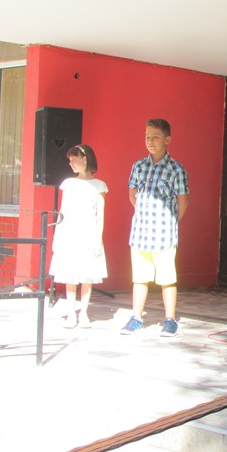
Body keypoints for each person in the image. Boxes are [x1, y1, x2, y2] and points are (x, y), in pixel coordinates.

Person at [121, 119, 189, 337]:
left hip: (164, 234)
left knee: (167, 279)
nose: (150, 141)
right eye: (147, 137)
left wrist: (171, 222)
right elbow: (132, 194)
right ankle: (136, 317)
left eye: (155, 137)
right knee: (139, 278)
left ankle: (170, 320)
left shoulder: (176, 169)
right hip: (140, 233)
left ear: (167, 139)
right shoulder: (138, 166)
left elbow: (183, 201)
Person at [49, 144, 108, 328]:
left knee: (87, 275)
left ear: (85, 158)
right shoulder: (69, 183)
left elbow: (100, 215)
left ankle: (83, 312)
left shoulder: (99, 185)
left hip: (89, 232)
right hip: (70, 232)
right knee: (71, 274)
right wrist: (57, 237)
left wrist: (97, 239)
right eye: (70, 160)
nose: (71, 163)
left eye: (74, 159)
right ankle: (71, 313)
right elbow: (62, 212)